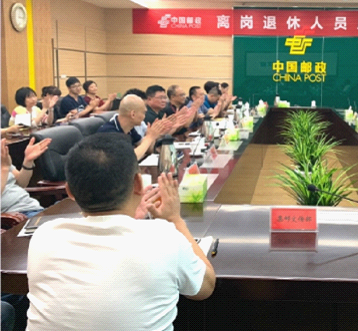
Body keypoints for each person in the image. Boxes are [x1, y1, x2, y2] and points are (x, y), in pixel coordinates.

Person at [25, 133, 216, 331]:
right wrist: (175, 220)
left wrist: (131, 219)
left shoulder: (43, 236)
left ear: (70, 192)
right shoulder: (165, 237)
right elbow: (205, 288)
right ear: (138, 184)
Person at [97, 95, 172, 160]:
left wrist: (154, 135)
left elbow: (147, 150)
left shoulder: (129, 129)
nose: (144, 117)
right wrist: (149, 137)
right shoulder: (109, 132)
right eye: (143, 113)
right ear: (133, 114)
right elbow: (130, 158)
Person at [1, 137, 51, 217]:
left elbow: (21, 183)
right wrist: (4, 168)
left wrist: (28, 161)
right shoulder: (4, 164)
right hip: (15, 216)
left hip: (32, 207)